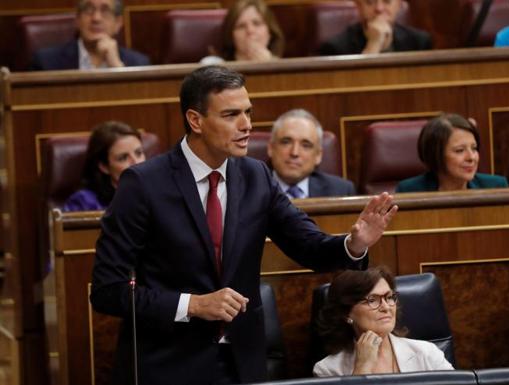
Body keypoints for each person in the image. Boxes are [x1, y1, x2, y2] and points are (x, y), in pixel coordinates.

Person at [90, 65, 398, 385]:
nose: (247, 125)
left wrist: (355, 244)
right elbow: (107, 291)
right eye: (231, 115)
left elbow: (308, 246)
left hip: (242, 363)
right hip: (168, 364)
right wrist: (193, 304)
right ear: (195, 120)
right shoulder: (143, 184)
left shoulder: (256, 176)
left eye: (248, 112)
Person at [313, 266, 453, 376]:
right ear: (346, 312)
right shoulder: (328, 370)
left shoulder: (426, 353)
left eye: (389, 297)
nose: (386, 307)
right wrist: (362, 368)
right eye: (372, 300)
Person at [396, 113, 508, 192]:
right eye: (460, 150)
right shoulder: (410, 191)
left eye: (474, 148)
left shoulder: (496, 187)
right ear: (436, 155)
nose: (471, 157)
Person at [30, 0, 150, 70]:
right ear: (77, 19)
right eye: (88, 10)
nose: (96, 18)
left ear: (118, 23)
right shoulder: (46, 63)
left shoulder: (139, 64)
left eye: (105, 11)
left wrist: (117, 67)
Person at [268, 109, 356, 199]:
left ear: (318, 155)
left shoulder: (341, 191)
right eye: (286, 142)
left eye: (306, 145)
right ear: (271, 148)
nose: (294, 152)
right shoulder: (254, 190)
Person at [63, 121, 146, 211]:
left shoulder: (155, 192)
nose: (136, 162)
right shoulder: (84, 202)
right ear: (104, 166)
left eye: (139, 153)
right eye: (123, 158)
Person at [318, 0, 431, 56]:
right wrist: (374, 43)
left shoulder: (419, 42)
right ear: (358, 5)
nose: (379, 8)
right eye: (370, 2)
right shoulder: (335, 48)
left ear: (399, 3)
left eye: (386, 1)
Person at [201, 0, 284, 64]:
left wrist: (269, 66)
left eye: (257, 23)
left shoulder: (284, 68)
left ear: (270, 32)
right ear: (230, 35)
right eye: (241, 26)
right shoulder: (212, 65)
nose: (250, 30)